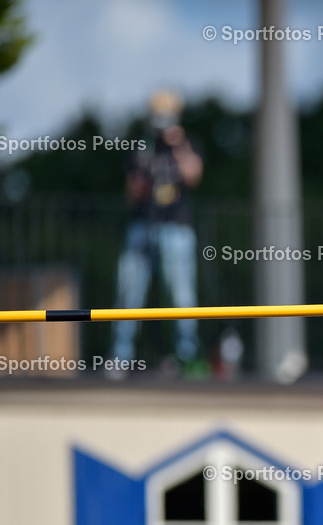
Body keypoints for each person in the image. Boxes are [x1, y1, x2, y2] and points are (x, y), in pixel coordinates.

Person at [110, 89, 204, 376]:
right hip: (142, 227)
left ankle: (187, 356)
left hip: (176, 228)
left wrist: (177, 144)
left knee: (181, 295)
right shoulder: (141, 147)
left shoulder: (187, 144)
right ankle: (120, 357)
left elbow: (193, 175)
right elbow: (132, 193)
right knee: (129, 293)